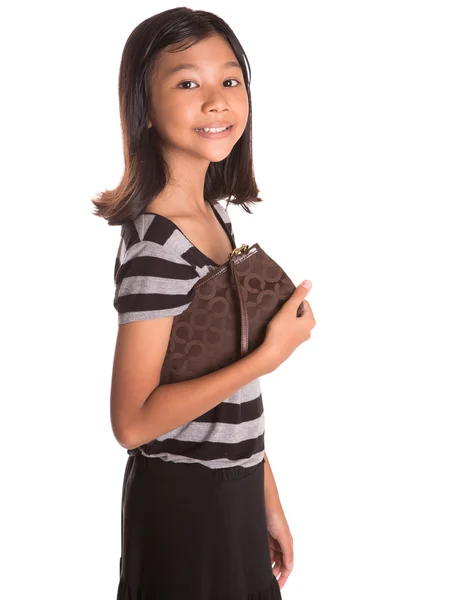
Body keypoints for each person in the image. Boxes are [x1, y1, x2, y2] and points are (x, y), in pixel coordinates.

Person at [92, 7, 316, 599]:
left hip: (232, 496)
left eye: (231, 79)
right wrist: (267, 358)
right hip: (184, 506)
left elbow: (225, 390)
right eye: (188, 82)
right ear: (143, 105)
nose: (216, 101)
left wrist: (266, 499)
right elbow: (132, 421)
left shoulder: (213, 218)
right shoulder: (157, 248)